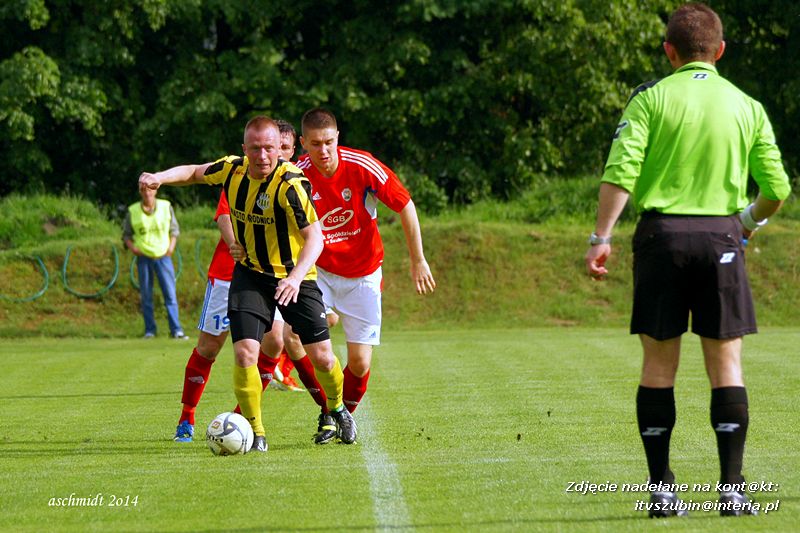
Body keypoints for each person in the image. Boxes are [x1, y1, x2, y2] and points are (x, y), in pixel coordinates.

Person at [584, 3, 791, 518]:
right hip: (721, 237)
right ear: (720, 51)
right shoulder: (747, 104)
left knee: (658, 366)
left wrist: (600, 236)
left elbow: (621, 170)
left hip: (661, 238)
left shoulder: (650, 99)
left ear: (668, 51)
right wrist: (746, 223)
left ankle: (661, 491)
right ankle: (732, 490)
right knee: (726, 365)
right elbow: (778, 188)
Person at [140, 115, 353, 451]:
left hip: (292, 278)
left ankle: (338, 408)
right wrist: (158, 179)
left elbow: (315, 238)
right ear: (245, 149)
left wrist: (296, 277)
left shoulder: (290, 185)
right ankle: (256, 431)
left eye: (270, 148)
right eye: (256, 148)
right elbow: (195, 172)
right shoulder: (233, 170)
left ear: (279, 149)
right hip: (251, 276)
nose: (263, 155)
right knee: (244, 354)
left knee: (323, 358)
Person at [295, 107, 436, 444]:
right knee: (293, 338)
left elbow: (405, 205)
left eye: (329, 141)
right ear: (303, 144)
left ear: (338, 138)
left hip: (363, 275)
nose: (324, 150)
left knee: (358, 363)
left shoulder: (362, 165)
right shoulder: (294, 174)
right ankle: (329, 412)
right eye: (315, 144)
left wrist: (418, 259)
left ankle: (335, 415)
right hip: (320, 272)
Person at [173, 191, 290, 442]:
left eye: (282, 148)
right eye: (262, 148)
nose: (271, 152)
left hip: (272, 277)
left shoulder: (290, 182)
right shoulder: (239, 176)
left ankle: (241, 418)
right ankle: (186, 418)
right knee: (209, 347)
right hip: (228, 275)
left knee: (275, 342)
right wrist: (235, 246)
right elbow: (224, 215)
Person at [123, 183, 188, 339]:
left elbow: (174, 230)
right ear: (140, 192)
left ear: (156, 190)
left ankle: (176, 330)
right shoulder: (133, 211)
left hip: (163, 256)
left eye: (150, 189)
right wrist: (133, 248)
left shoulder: (166, 206)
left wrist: (171, 248)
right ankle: (150, 330)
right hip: (143, 257)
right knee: (146, 295)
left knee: (170, 294)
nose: (147, 193)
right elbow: (126, 235)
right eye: (144, 190)